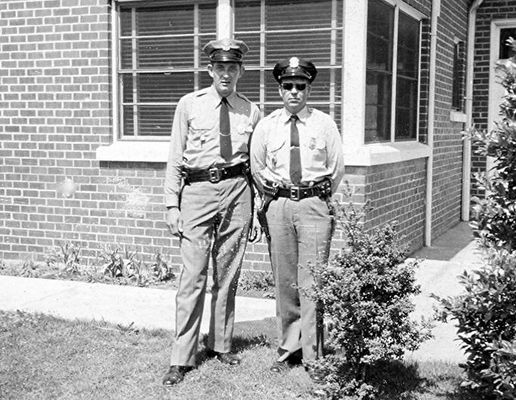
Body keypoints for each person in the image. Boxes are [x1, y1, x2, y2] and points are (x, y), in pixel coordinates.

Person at [162, 38, 260, 387]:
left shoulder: (251, 110)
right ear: (210, 70)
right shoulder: (189, 104)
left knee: (228, 274)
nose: (226, 74)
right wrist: (172, 204)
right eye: (220, 67)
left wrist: (258, 204)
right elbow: (175, 157)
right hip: (197, 193)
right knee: (193, 276)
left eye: (232, 68)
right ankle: (182, 357)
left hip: (237, 193)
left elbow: (257, 162)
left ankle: (221, 344)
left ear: (240, 71)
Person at [250, 57, 345, 381]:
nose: (294, 92)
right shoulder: (268, 125)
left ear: (308, 88)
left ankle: (313, 355)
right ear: (279, 89)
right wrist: (272, 194)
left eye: (300, 86)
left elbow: (337, 168)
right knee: (285, 282)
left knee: (312, 282)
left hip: (313, 206)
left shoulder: (324, 124)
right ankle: (288, 349)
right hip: (279, 206)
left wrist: (316, 197)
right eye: (288, 86)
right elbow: (257, 165)